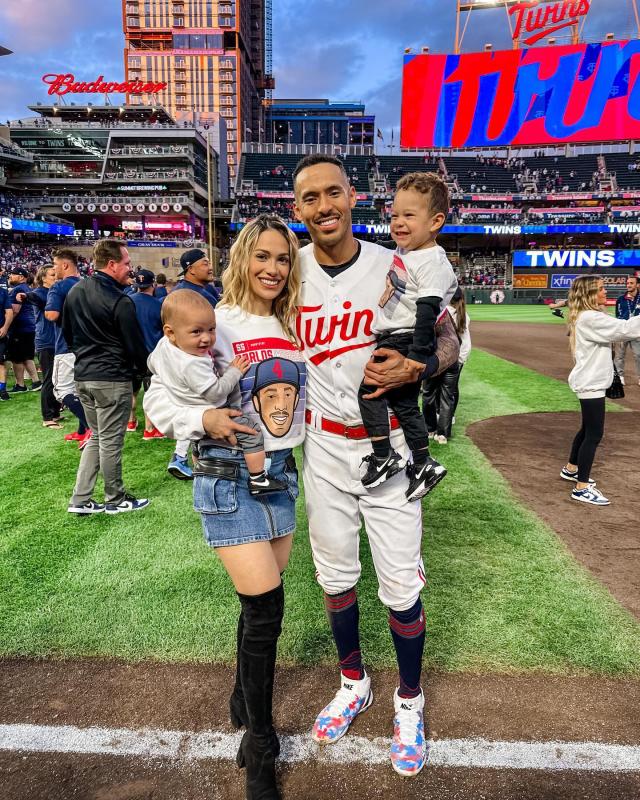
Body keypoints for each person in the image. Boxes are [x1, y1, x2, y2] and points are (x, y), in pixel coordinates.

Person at [144, 214, 305, 800]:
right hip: (225, 474)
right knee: (266, 606)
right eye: (261, 256)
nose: (272, 268)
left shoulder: (297, 321)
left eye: (283, 258)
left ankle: (243, 691)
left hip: (281, 472)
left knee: (258, 600)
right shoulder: (215, 322)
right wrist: (204, 419)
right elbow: (158, 398)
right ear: (241, 259)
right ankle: (261, 744)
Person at [292, 154, 429, 777]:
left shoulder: (389, 263)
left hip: (390, 445)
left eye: (333, 193)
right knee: (334, 575)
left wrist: (421, 366)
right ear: (298, 210)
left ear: (352, 197)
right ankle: (354, 682)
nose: (324, 206)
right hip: (322, 445)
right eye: (310, 198)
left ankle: (409, 698)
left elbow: (449, 330)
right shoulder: (286, 273)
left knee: (400, 585)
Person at [357, 172, 456, 499]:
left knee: (369, 393)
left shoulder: (431, 260)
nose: (398, 222)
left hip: (404, 338)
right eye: (395, 214)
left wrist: (415, 359)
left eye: (409, 215)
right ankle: (424, 462)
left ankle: (384, 456)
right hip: (399, 335)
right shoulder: (409, 251)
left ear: (436, 221)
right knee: (405, 405)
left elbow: (428, 311)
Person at [148, 290, 288, 496]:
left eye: (211, 329)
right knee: (252, 434)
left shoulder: (165, 346)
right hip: (214, 411)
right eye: (196, 332)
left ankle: (197, 464)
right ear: (170, 332)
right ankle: (258, 479)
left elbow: (151, 363)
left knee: (197, 442)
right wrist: (234, 372)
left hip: (193, 412)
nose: (207, 338)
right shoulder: (193, 362)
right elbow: (217, 394)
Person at [62, 239, 150, 516]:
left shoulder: (75, 291)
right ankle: (116, 498)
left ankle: (81, 499)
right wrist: (144, 372)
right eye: (126, 264)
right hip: (112, 378)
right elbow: (134, 346)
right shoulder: (120, 300)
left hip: (84, 375)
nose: (130, 270)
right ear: (112, 265)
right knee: (110, 439)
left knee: (98, 437)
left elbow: (67, 335)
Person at [562, 275, 640, 506]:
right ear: (589, 295)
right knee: (594, 434)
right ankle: (581, 487)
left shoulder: (587, 316)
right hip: (591, 383)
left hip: (589, 381)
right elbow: (625, 329)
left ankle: (571, 469)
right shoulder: (591, 318)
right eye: (601, 289)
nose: (606, 292)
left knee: (587, 429)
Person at [45, 248, 91, 449]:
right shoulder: (88, 284)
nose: (54, 269)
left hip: (66, 345)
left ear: (65, 264)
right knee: (81, 391)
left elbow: (52, 315)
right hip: (88, 346)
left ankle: (91, 428)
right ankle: (82, 431)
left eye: (55, 265)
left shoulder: (59, 286)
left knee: (62, 390)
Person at [422, 287, 471, 444]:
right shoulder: (464, 315)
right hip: (453, 361)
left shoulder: (438, 311)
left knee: (428, 395)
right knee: (447, 397)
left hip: (435, 360)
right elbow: (465, 342)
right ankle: (443, 434)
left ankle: (430, 429)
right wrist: (460, 359)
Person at [19, 264, 63, 427]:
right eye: (52, 275)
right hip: (46, 341)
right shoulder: (39, 292)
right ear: (43, 278)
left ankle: (56, 412)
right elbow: (34, 297)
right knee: (49, 379)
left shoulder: (55, 292)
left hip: (57, 341)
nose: (56, 277)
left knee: (56, 379)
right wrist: (25, 296)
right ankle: (47, 418)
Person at [129, 268, 165, 440]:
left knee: (132, 391)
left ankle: (131, 421)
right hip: (151, 355)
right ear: (154, 284)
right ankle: (149, 429)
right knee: (150, 393)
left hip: (129, 354)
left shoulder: (126, 301)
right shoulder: (158, 305)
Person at [7, 266, 41, 393]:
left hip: (19, 327)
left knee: (17, 357)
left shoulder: (19, 289)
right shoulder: (27, 288)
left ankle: (20, 384)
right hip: (29, 327)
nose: (10, 276)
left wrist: (6, 325)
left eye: (13, 274)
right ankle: (36, 382)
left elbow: (15, 311)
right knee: (27, 356)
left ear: (21, 277)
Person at [613, 275, 640, 385]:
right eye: (627, 283)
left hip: (636, 332)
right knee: (619, 356)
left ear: (637, 285)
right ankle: (620, 376)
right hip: (622, 331)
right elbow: (617, 315)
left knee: (639, 355)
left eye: (631, 283)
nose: (628, 285)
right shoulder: (620, 299)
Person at [0, 279, 14, 401]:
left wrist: (5, 328)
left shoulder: (2, 293)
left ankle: (2, 390)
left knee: (1, 362)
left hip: (0, 333)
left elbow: (9, 312)